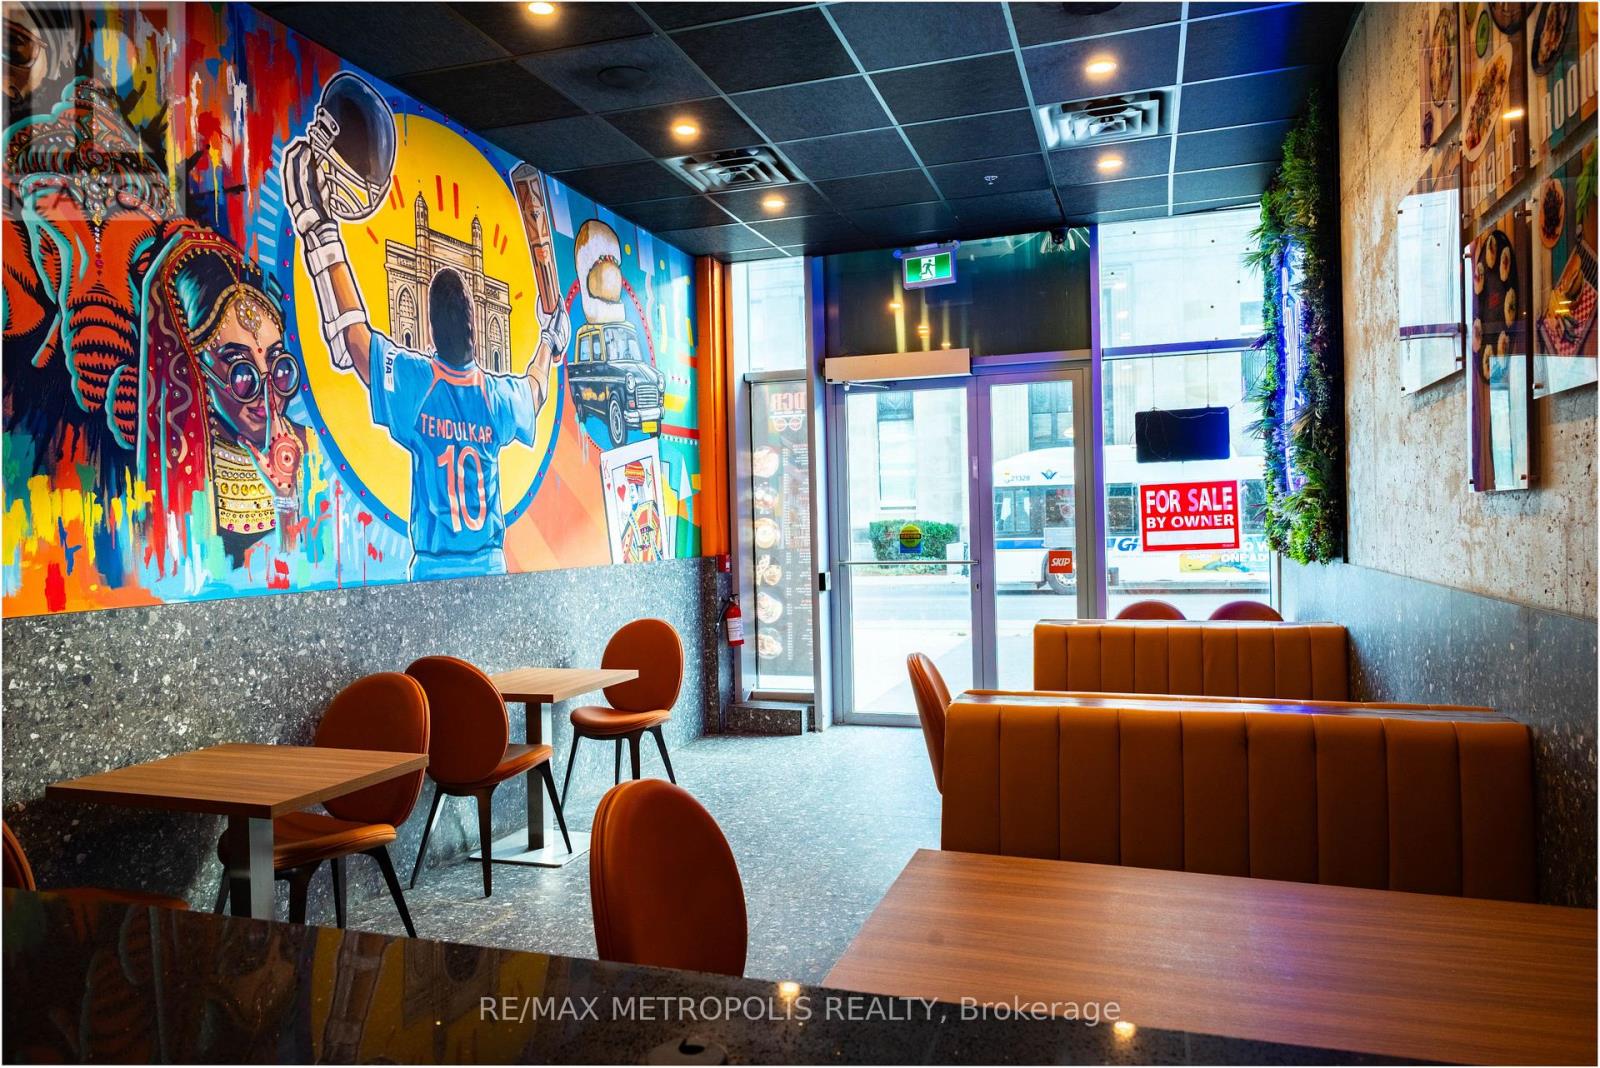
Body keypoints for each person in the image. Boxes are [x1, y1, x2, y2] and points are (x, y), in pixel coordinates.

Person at [281, 122, 570, 580]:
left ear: (431, 330)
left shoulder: (418, 382)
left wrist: (320, 229)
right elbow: (535, 389)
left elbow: (355, 337)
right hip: (491, 569)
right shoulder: (495, 398)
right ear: (475, 326)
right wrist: (549, 339)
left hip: (432, 574)